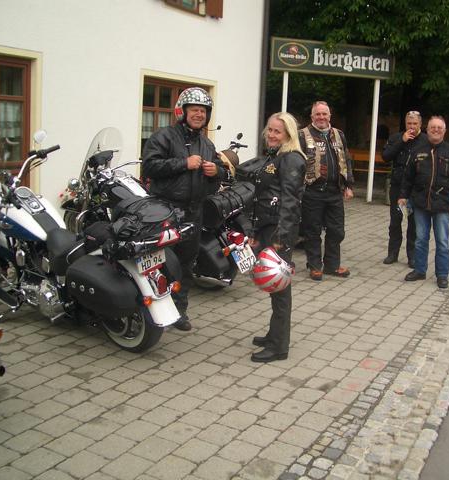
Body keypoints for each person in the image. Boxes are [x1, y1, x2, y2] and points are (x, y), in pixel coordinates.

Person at [141, 87, 225, 330]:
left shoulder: (207, 144)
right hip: (165, 210)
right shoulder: (164, 136)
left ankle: (179, 311)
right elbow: (149, 166)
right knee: (160, 262)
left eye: (203, 111)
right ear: (183, 111)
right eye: (194, 110)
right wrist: (183, 163)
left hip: (193, 212)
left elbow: (216, 180)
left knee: (186, 264)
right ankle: (153, 309)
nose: (199, 114)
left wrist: (216, 172)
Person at [236, 112, 306, 363]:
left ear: (288, 134)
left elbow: (290, 202)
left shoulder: (292, 159)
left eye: (278, 131)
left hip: (278, 231)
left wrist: (281, 238)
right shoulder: (276, 156)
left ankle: (279, 347)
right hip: (267, 228)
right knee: (274, 287)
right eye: (270, 130)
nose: (272, 135)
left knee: (280, 287)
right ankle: (274, 335)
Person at [398, 116, 449, 289]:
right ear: (427, 130)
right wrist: (403, 195)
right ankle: (420, 270)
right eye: (432, 127)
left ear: (444, 131)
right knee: (420, 239)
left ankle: (442, 275)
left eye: (439, 128)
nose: (436, 130)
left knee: (442, 241)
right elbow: (408, 177)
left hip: (442, 205)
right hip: (420, 203)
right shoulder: (417, 151)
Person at [299, 101, 354, 281]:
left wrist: (349, 185)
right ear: (312, 116)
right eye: (318, 114)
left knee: (337, 231)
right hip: (312, 191)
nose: (321, 117)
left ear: (330, 116)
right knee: (312, 231)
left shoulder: (339, 134)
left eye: (324, 114)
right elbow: (296, 163)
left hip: (334, 191)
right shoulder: (302, 135)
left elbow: (346, 159)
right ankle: (315, 266)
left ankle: (332, 265)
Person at [381, 110, 427, 267]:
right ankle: (392, 253)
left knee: (413, 223)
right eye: (409, 123)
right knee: (395, 221)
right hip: (397, 187)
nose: (412, 127)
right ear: (405, 124)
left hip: (416, 189)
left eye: (415, 124)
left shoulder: (426, 141)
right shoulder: (396, 138)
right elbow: (386, 156)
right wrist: (402, 141)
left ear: (420, 124)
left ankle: (412, 256)